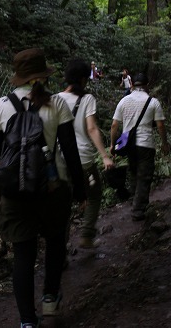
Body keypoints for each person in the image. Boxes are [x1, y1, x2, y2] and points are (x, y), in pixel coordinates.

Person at [0, 48, 87, 328]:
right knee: (55, 244)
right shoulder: (56, 104)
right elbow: (69, 150)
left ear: (19, 76)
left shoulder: (2, 106)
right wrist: (79, 190)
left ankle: (27, 321)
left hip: (16, 194)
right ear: (42, 75)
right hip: (52, 189)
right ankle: (49, 299)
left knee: (23, 254)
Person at [57, 59, 115, 249]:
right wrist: (105, 155)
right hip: (83, 160)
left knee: (63, 205)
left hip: (60, 160)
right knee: (94, 195)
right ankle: (87, 235)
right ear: (83, 79)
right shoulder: (87, 99)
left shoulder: (54, 99)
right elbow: (91, 129)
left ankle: (60, 249)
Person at [109, 73, 169, 221]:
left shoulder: (124, 101)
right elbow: (160, 125)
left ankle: (133, 201)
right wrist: (164, 143)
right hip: (145, 143)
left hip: (129, 144)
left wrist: (112, 144)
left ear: (132, 85)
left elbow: (114, 125)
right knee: (145, 175)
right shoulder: (153, 102)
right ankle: (138, 210)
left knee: (134, 172)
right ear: (146, 85)